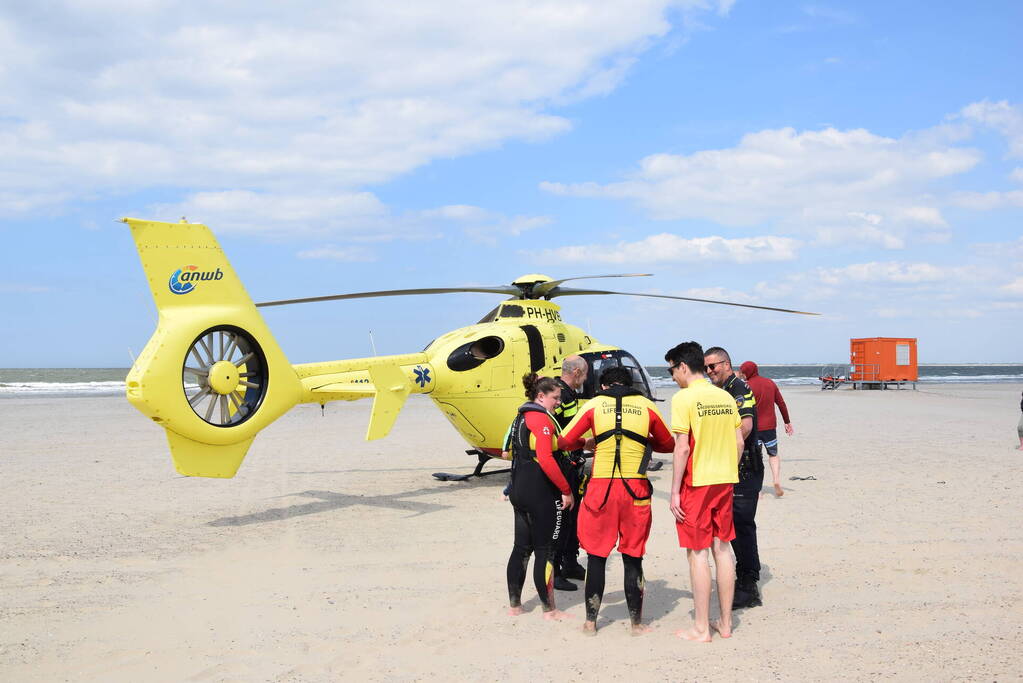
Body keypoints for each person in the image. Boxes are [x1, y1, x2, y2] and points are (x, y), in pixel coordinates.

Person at [558, 366, 675, 636]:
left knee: (597, 557)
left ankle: (590, 622)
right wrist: (641, 439)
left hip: (601, 489)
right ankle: (636, 624)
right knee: (633, 557)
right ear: (629, 383)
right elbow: (668, 444)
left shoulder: (595, 404)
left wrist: (589, 442)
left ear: (605, 386)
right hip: (635, 489)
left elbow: (564, 441)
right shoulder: (647, 406)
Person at [665, 341, 743, 642]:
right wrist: (728, 470)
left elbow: (682, 447)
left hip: (697, 483)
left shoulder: (683, 398)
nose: (672, 376)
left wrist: (674, 492)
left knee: (697, 553)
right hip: (725, 479)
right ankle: (725, 623)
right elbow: (738, 442)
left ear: (683, 367)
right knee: (722, 549)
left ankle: (700, 627)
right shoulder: (723, 396)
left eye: (673, 370)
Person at [505, 373, 575, 620]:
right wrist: (566, 490)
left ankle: (515, 606)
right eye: (555, 398)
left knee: (521, 549)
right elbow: (545, 458)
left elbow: (522, 451)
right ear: (541, 396)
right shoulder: (541, 420)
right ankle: (550, 610)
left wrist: (582, 442)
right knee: (545, 551)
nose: (558, 402)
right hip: (540, 494)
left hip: (519, 490)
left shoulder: (520, 417)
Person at [704, 346, 763, 610]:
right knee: (731, 527)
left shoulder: (739, 389)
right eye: (705, 368)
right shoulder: (719, 393)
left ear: (726, 364)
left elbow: (746, 427)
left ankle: (749, 585)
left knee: (742, 526)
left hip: (744, 467)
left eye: (713, 366)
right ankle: (741, 580)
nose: (709, 372)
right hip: (727, 467)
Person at [550, 355, 589, 588]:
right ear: (576, 372)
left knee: (573, 516)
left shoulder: (570, 393)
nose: (586, 378)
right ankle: (554, 571)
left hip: (573, 464)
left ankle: (570, 562)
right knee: (561, 518)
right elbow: (556, 434)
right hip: (562, 465)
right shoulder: (559, 395)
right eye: (584, 374)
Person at [739, 361, 794, 497]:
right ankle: (776, 480)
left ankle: (758, 490)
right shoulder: (770, 383)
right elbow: (781, 403)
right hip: (770, 427)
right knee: (773, 454)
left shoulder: (746, 386)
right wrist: (787, 422)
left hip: (754, 428)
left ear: (748, 372)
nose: (742, 375)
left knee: (756, 458)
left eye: (743, 372)